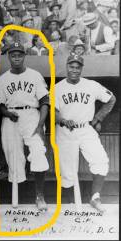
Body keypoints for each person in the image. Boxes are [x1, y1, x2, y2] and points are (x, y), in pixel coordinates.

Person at [55, 54, 116, 213]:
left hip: (86, 129)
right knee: (67, 173)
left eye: (77, 67)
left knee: (101, 160)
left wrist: (98, 118)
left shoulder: (91, 85)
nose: (74, 70)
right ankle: (70, 206)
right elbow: (52, 111)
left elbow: (111, 99)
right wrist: (62, 119)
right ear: (67, 66)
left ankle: (95, 197)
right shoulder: (58, 87)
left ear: (81, 68)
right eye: (71, 66)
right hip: (65, 131)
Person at [0, 42, 50, 211]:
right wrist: (7, 113)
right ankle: (15, 195)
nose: (17, 58)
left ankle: (40, 196)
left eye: (19, 54)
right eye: (13, 55)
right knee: (13, 156)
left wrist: (41, 124)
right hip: (11, 117)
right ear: (9, 57)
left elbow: (44, 102)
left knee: (38, 152)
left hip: (31, 116)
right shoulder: (3, 78)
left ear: (24, 56)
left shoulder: (34, 75)